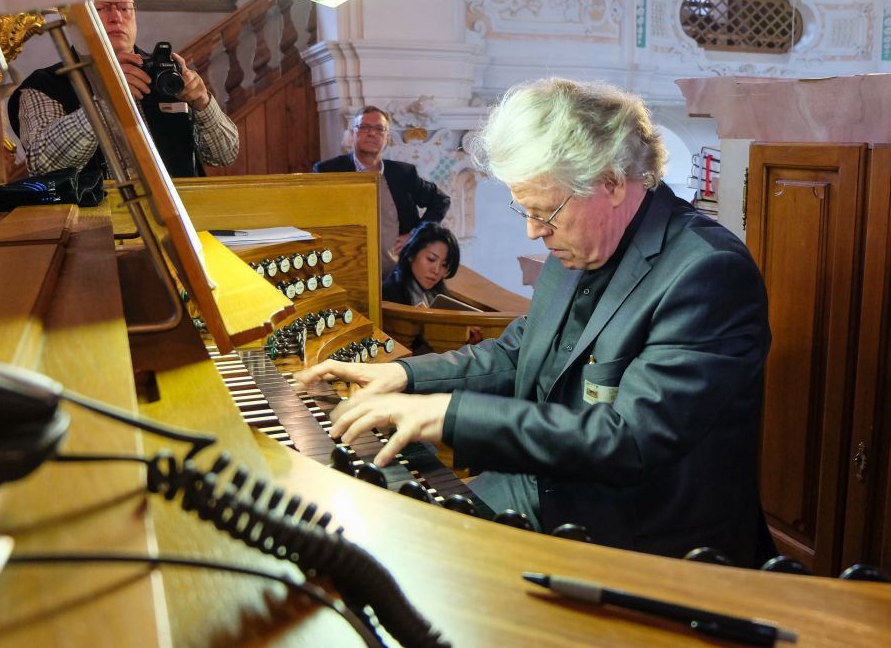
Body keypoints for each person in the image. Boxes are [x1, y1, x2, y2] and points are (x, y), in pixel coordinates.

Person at [296, 78, 773, 566]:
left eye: (546, 212)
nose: (533, 231)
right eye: (525, 210)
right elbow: (520, 351)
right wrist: (404, 375)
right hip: (543, 482)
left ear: (611, 181)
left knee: (410, 563)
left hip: (637, 533)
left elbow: (629, 439)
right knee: (375, 534)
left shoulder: (708, 272)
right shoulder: (577, 246)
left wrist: (450, 414)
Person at [8, 0, 239, 179]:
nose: (116, 17)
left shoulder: (166, 75)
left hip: (181, 212)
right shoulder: (43, 85)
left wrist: (203, 103)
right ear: (73, 20)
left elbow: (224, 155)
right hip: (98, 216)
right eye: (101, 8)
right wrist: (108, 101)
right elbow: (43, 164)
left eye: (124, 7)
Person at [313, 106, 450, 276]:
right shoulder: (328, 171)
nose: (372, 133)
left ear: (387, 138)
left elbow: (441, 201)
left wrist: (416, 235)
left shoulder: (403, 174)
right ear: (353, 134)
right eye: (364, 127)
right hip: (347, 272)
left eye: (379, 129)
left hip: (397, 275)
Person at [381, 222, 460, 307]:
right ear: (411, 254)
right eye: (431, 259)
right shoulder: (387, 296)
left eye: (444, 264)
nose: (436, 270)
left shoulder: (439, 296)